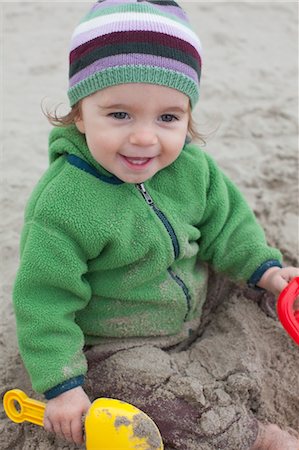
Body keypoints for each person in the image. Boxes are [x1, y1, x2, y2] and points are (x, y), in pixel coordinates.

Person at [12, 1, 299, 449]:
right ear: (81, 113)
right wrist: (62, 385)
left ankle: (267, 292)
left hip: (193, 297)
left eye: (168, 117)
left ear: (188, 115)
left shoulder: (191, 168)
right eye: (120, 114)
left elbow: (226, 224)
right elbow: (43, 299)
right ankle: (249, 437)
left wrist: (261, 267)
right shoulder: (63, 206)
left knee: (250, 274)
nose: (145, 137)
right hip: (117, 342)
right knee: (153, 403)